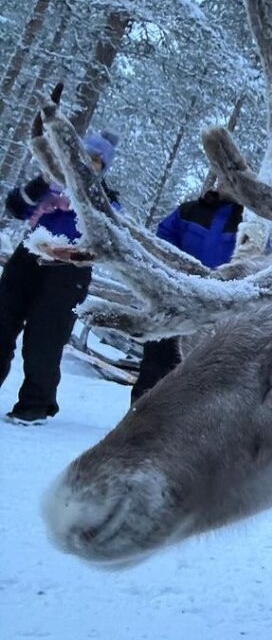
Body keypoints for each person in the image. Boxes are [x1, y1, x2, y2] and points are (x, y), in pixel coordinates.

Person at [1, 130, 121, 424]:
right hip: (27, 258)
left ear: (102, 167)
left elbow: (110, 233)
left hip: (68, 270)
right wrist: (44, 181)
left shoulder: (106, 199)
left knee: (45, 338)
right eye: (83, 156)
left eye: (95, 161)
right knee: (1, 325)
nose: (86, 164)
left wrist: (85, 199)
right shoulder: (49, 184)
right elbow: (16, 206)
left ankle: (35, 405)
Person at [129, 185, 243, 403]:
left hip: (216, 309)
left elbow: (254, 257)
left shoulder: (249, 225)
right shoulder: (189, 210)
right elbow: (162, 238)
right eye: (222, 176)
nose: (226, 182)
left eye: (232, 178)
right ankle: (139, 414)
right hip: (172, 298)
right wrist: (173, 269)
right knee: (155, 365)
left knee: (202, 370)